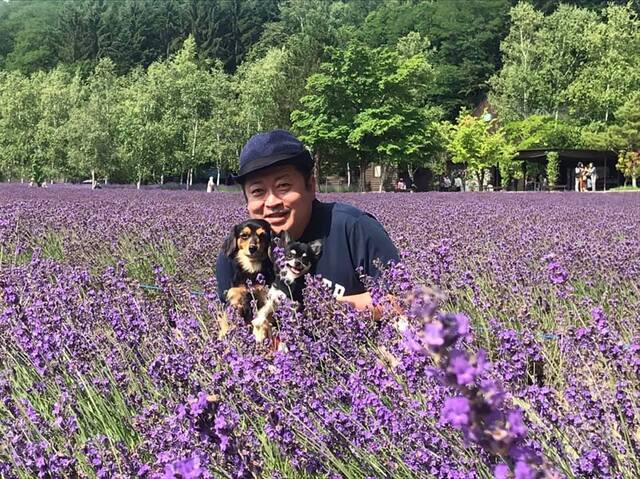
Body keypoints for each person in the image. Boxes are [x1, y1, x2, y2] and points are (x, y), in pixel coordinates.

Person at [215, 130, 399, 312]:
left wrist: (321, 310)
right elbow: (231, 321)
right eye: (257, 191)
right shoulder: (237, 252)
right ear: (247, 201)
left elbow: (402, 300)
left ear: (310, 186)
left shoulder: (354, 228)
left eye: (283, 186)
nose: (271, 202)